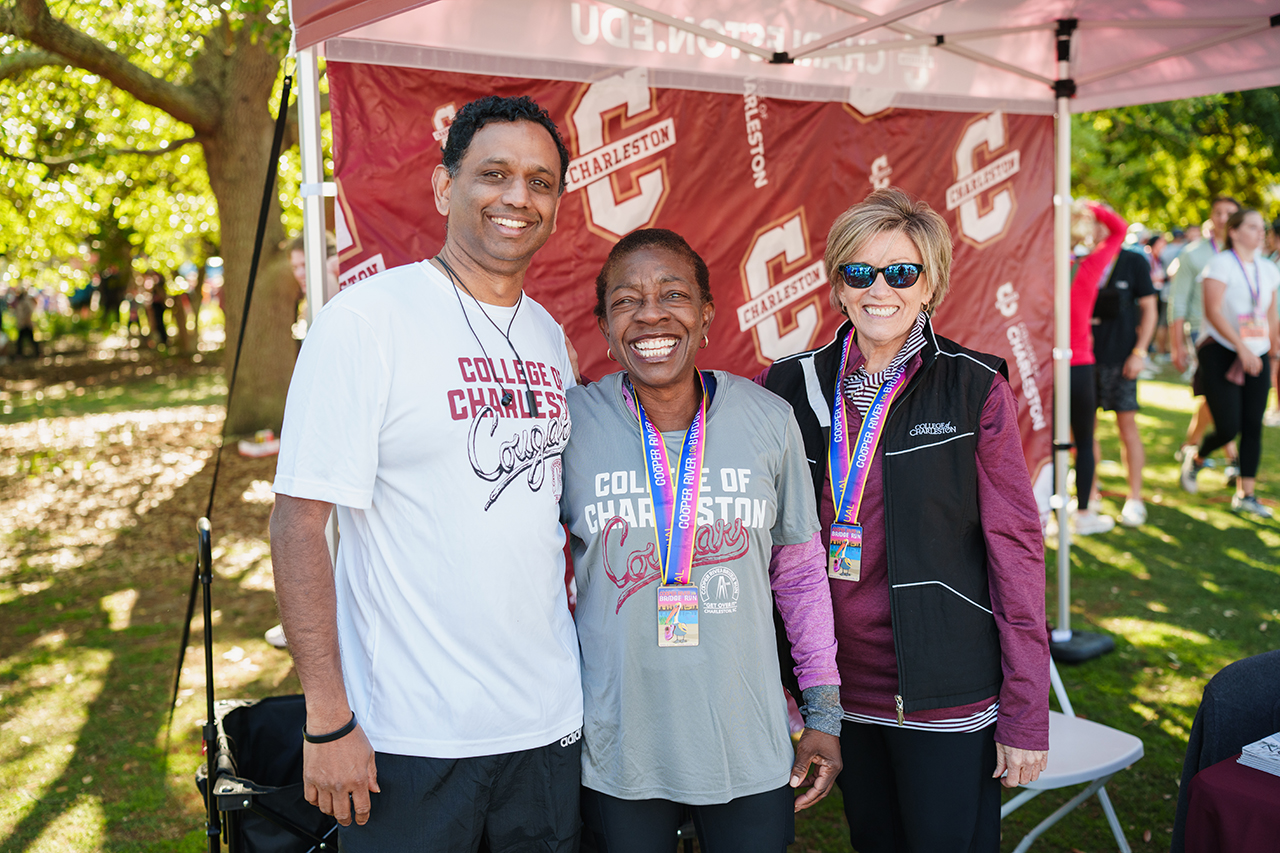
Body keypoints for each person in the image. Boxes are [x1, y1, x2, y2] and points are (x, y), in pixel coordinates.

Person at [270, 95, 583, 851]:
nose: (518, 196)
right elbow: (298, 521)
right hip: (409, 739)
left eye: (540, 182)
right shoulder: (366, 322)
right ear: (446, 188)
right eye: (495, 174)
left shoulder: (548, 335)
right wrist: (327, 716)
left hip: (547, 727)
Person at [762, 188, 1050, 852]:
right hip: (834, 691)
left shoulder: (975, 387)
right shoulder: (789, 386)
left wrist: (1027, 711)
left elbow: (1017, 553)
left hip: (945, 689)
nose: (880, 288)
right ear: (838, 284)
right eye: (860, 272)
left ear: (930, 285)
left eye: (903, 271)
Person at [562, 229, 843, 853]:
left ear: (706, 314)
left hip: (747, 738)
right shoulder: (571, 424)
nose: (651, 314)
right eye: (626, 301)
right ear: (604, 326)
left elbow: (799, 573)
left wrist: (823, 711)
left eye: (673, 294)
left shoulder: (768, 419)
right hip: (618, 745)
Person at [1180, 208, 1280, 517]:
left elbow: (1272, 315)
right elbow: (1212, 311)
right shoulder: (1220, 264)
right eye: (1251, 226)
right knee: (1228, 427)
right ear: (1234, 232)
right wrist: (1241, 347)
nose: (1260, 231)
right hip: (1221, 351)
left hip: (1257, 352)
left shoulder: (1268, 268)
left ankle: (1246, 495)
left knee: (1253, 425)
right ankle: (1196, 457)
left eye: (1261, 227)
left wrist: (1269, 352)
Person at [1067, 201, 1127, 535]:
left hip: (1049, 366)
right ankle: (1084, 513)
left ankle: (1046, 509)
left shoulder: (1040, 269)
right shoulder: (1087, 267)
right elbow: (1119, 228)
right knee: (1085, 442)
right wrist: (1090, 205)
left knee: (1044, 439)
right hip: (1079, 365)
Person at [1169, 196, 1241, 468]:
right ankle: (1232, 458)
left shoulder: (1245, 254)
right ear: (1211, 216)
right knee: (1220, 392)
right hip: (1204, 334)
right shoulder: (1194, 253)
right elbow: (1178, 301)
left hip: (1240, 336)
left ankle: (1190, 445)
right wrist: (1177, 345)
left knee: (1216, 396)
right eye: (1218, 213)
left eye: (1230, 213)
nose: (1223, 218)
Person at [1090, 243, 1157, 527]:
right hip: (1085, 359)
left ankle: (1135, 497)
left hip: (1123, 360)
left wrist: (1139, 352)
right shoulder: (1081, 259)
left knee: (1127, 427)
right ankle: (1089, 494)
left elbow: (1150, 309)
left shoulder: (1133, 260)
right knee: (1084, 431)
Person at [13, 286, 39, 358]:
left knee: (27, 339)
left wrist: (26, 321)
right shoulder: (21, 302)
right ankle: (20, 353)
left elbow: (28, 312)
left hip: (26, 324)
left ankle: (36, 353)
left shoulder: (25, 302)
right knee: (21, 340)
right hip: (23, 324)